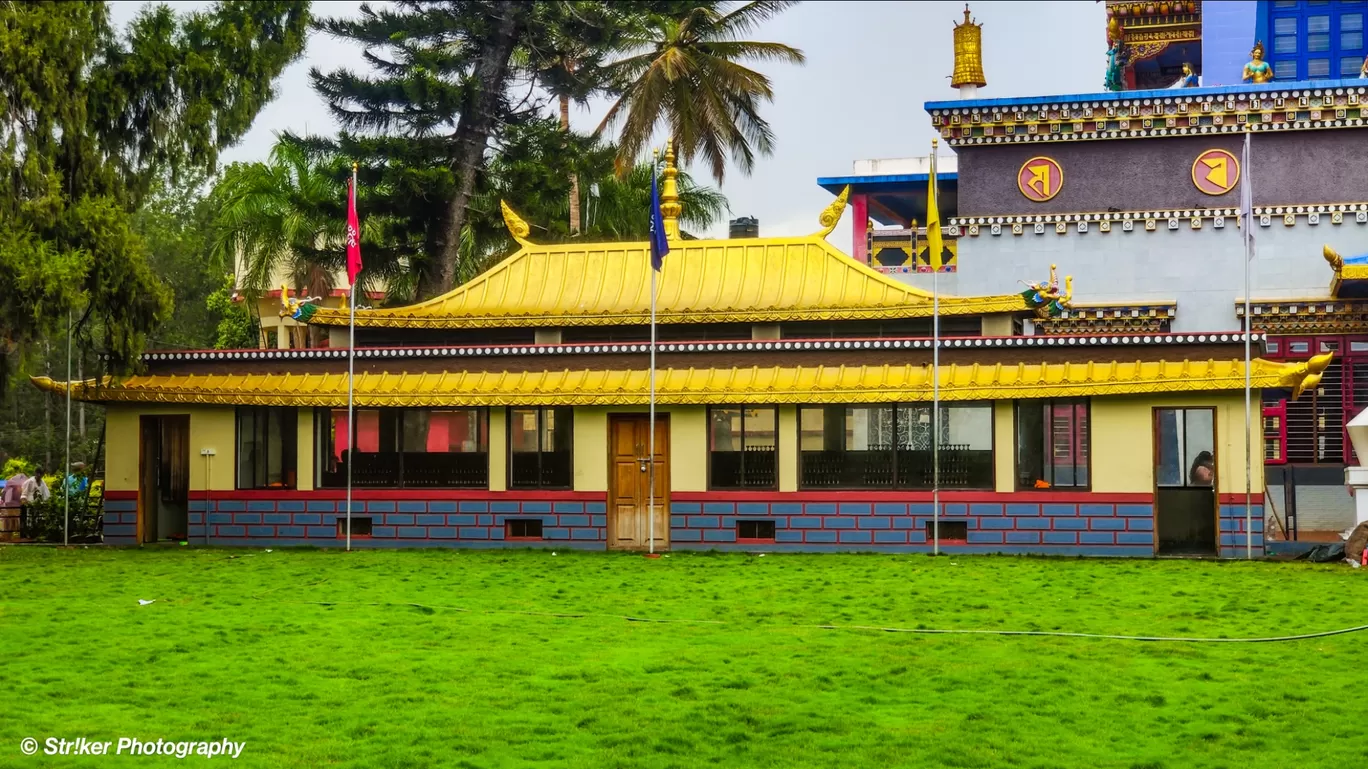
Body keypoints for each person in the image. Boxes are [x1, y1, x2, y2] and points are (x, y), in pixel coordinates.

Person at [19, 466, 50, 539]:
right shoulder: (29, 481)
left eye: (41, 474)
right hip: (30, 504)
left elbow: (46, 493)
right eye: (38, 474)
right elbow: (24, 494)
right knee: (29, 519)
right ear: (36, 473)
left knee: (38, 519)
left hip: (39, 504)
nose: (39, 476)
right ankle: (29, 534)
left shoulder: (43, 483)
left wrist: (46, 502)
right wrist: (25, 502)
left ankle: (37, 533)